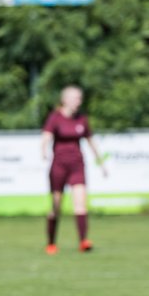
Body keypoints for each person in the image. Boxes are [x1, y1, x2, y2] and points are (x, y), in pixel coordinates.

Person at [41, 85, 107, 254]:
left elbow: (91, 141)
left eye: (80, 98)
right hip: (59, 166)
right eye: (76, 98)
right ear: (65, 100)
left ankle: (83, 241)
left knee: (80, 205)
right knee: (56, 207)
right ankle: (51, 242)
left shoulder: (82, 119)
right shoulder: (55, 117)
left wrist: (101, 163)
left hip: (77, 165)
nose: (79, 101)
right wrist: (44, 152)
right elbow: (46, 137)